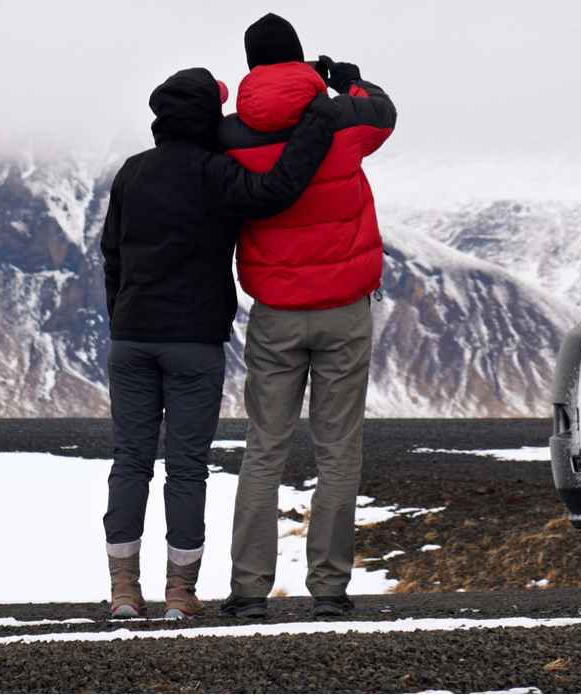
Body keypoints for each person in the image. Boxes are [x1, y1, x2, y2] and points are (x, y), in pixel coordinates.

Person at [101, 66, 337, 620]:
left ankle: (123, 592)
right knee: (186, 467)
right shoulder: (216, 173)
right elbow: (276, 189)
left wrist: (123, 318)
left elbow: (111, 255)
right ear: (209, 118)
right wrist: (315, 124)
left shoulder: (132, 173)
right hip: (195, 343)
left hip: (132, 339)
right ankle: (180, 594)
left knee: (129, 462)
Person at [217, 13, 396, 619]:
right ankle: (328, 589)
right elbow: (384, 111)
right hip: (345, 311)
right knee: (338, 449)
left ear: (250, 68)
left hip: (275, 316)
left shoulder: (232, 135)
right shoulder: (342, 119)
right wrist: (349, 80)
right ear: (299, 60)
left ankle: (247, 590)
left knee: (264, 447)